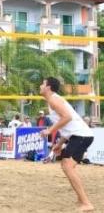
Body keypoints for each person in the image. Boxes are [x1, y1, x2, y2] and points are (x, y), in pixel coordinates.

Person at [40, 77, 94, 212]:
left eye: (43, 83)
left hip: (81, 136)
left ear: (48, 87)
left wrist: (50, 130)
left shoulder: (53, 99)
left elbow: (67, 117)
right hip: (78, 135)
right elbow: (68, 125)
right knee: (67, 166)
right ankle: (82, 200)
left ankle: (86, 202)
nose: (40, 86)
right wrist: (59, 143)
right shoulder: (53, 99)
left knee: (67, 166)